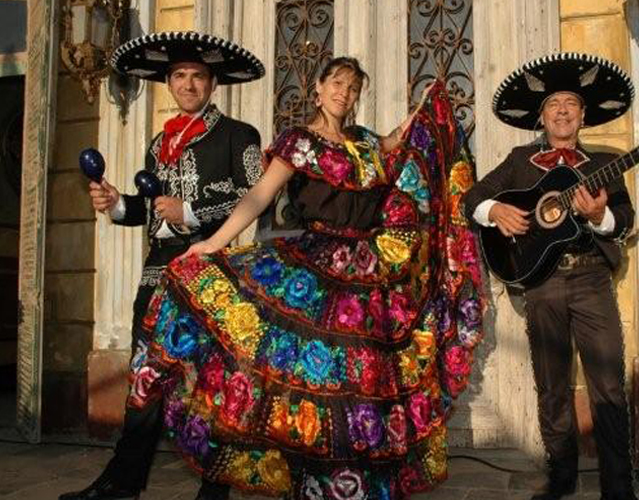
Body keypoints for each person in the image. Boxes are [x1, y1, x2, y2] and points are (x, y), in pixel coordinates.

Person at [125, 58, 484, 499]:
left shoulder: (364, 143)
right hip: (316, 275)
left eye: (353, 88)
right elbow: (258, 196)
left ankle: (353, 486)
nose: (344, 93)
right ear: (318, 89)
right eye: (337, 83)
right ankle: (313, 484)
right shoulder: (299, 143)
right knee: (318, 382)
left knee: (362, 384)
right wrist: (214, 245)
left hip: (369, 283)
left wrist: (428, 108)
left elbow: (398, 141)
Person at [64, 31, 265, 500]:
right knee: (144, 380)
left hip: (213, 278)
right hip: (156, 278)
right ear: (168, 83)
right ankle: (123, 480)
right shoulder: (159, 143)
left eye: (198, 76)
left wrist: (192, 211)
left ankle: (215, 490)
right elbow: (152, 209)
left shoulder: (241, 135)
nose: (188, 84)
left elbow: (257, 197)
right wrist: (117, 205)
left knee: (213, 383)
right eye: (179, 76)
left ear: (213, 83)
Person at [463, 53, 637, 500]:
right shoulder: (521, 160)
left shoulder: (602, 164)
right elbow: (473, 198)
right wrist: (495, 209)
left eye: (571, 104)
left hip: (592, 279)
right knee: (552, 383)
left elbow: (624, 218)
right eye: (553, 104)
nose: (562, 110)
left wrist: (599, 217)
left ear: (582, 116)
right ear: (542, 116)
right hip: (542, 282)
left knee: (608, 382)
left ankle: (619, 487)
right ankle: (562, 477)